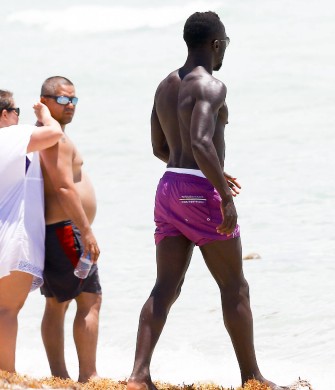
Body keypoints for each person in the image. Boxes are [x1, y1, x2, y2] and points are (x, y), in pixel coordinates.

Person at [127, 11, 282, 390]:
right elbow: (200, 142)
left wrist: (204, 171)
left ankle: (138, 376)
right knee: (235, 287)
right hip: (200, 192)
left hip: (168, 188)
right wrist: (224, 195)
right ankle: (252, 378)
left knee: (166, 286)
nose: (225, 49)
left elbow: (159, 147)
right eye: (225, 42)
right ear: (216, 44)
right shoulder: (211, 86)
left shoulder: (165, 85)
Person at [37, 76, 101, 382]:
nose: (70, 106)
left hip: (58, 232)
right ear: (46, 101)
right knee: (89, 299)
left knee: (57, 302)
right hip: (65, 231)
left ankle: (61, 378)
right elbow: (64, 188)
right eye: (63, 100)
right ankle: (87, 376)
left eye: (74, 100)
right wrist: (86, 231)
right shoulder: (53, 138)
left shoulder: (48, 135)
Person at [0, 89, 62, 373]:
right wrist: (45, 116)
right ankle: (6, 374)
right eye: (16, 111)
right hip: (10, 239)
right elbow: (53, 134)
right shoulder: (9, 136)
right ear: (4, 115)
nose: (17, 117)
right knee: (6, 310)